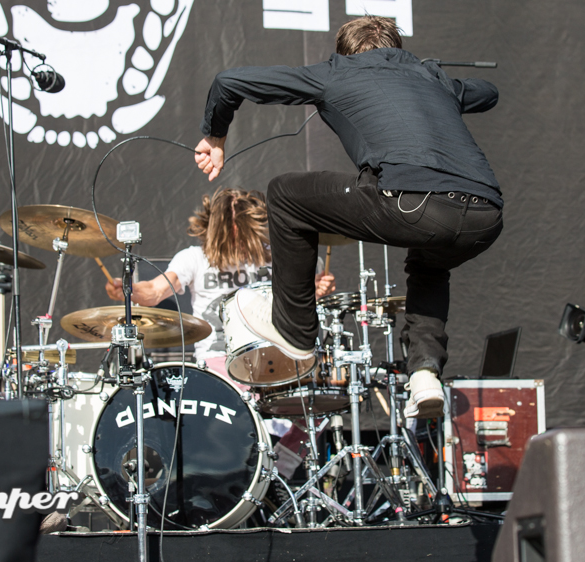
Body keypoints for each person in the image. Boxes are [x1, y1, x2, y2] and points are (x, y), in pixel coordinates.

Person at [193, 16, 503, 419]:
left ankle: (296, 331)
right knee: (429, 267)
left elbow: (229, 81)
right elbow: (488, 92)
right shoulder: (433, 79)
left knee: (285, 193)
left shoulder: (337, 73)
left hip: (411, 202)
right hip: (485, 214)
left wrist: (214, 136)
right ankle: (425, 374)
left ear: (343, 54)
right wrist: (430, 75)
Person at [105, 187, 336, 375]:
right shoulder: (194, 258)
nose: (238, 242)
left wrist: (313, 292)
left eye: (243, 236)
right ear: (217, 235)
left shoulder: (273, 256)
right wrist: (129, 290)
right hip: (216, 363)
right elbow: (155, 291)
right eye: (231, 237)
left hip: (274, 358)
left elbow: (298, 300)